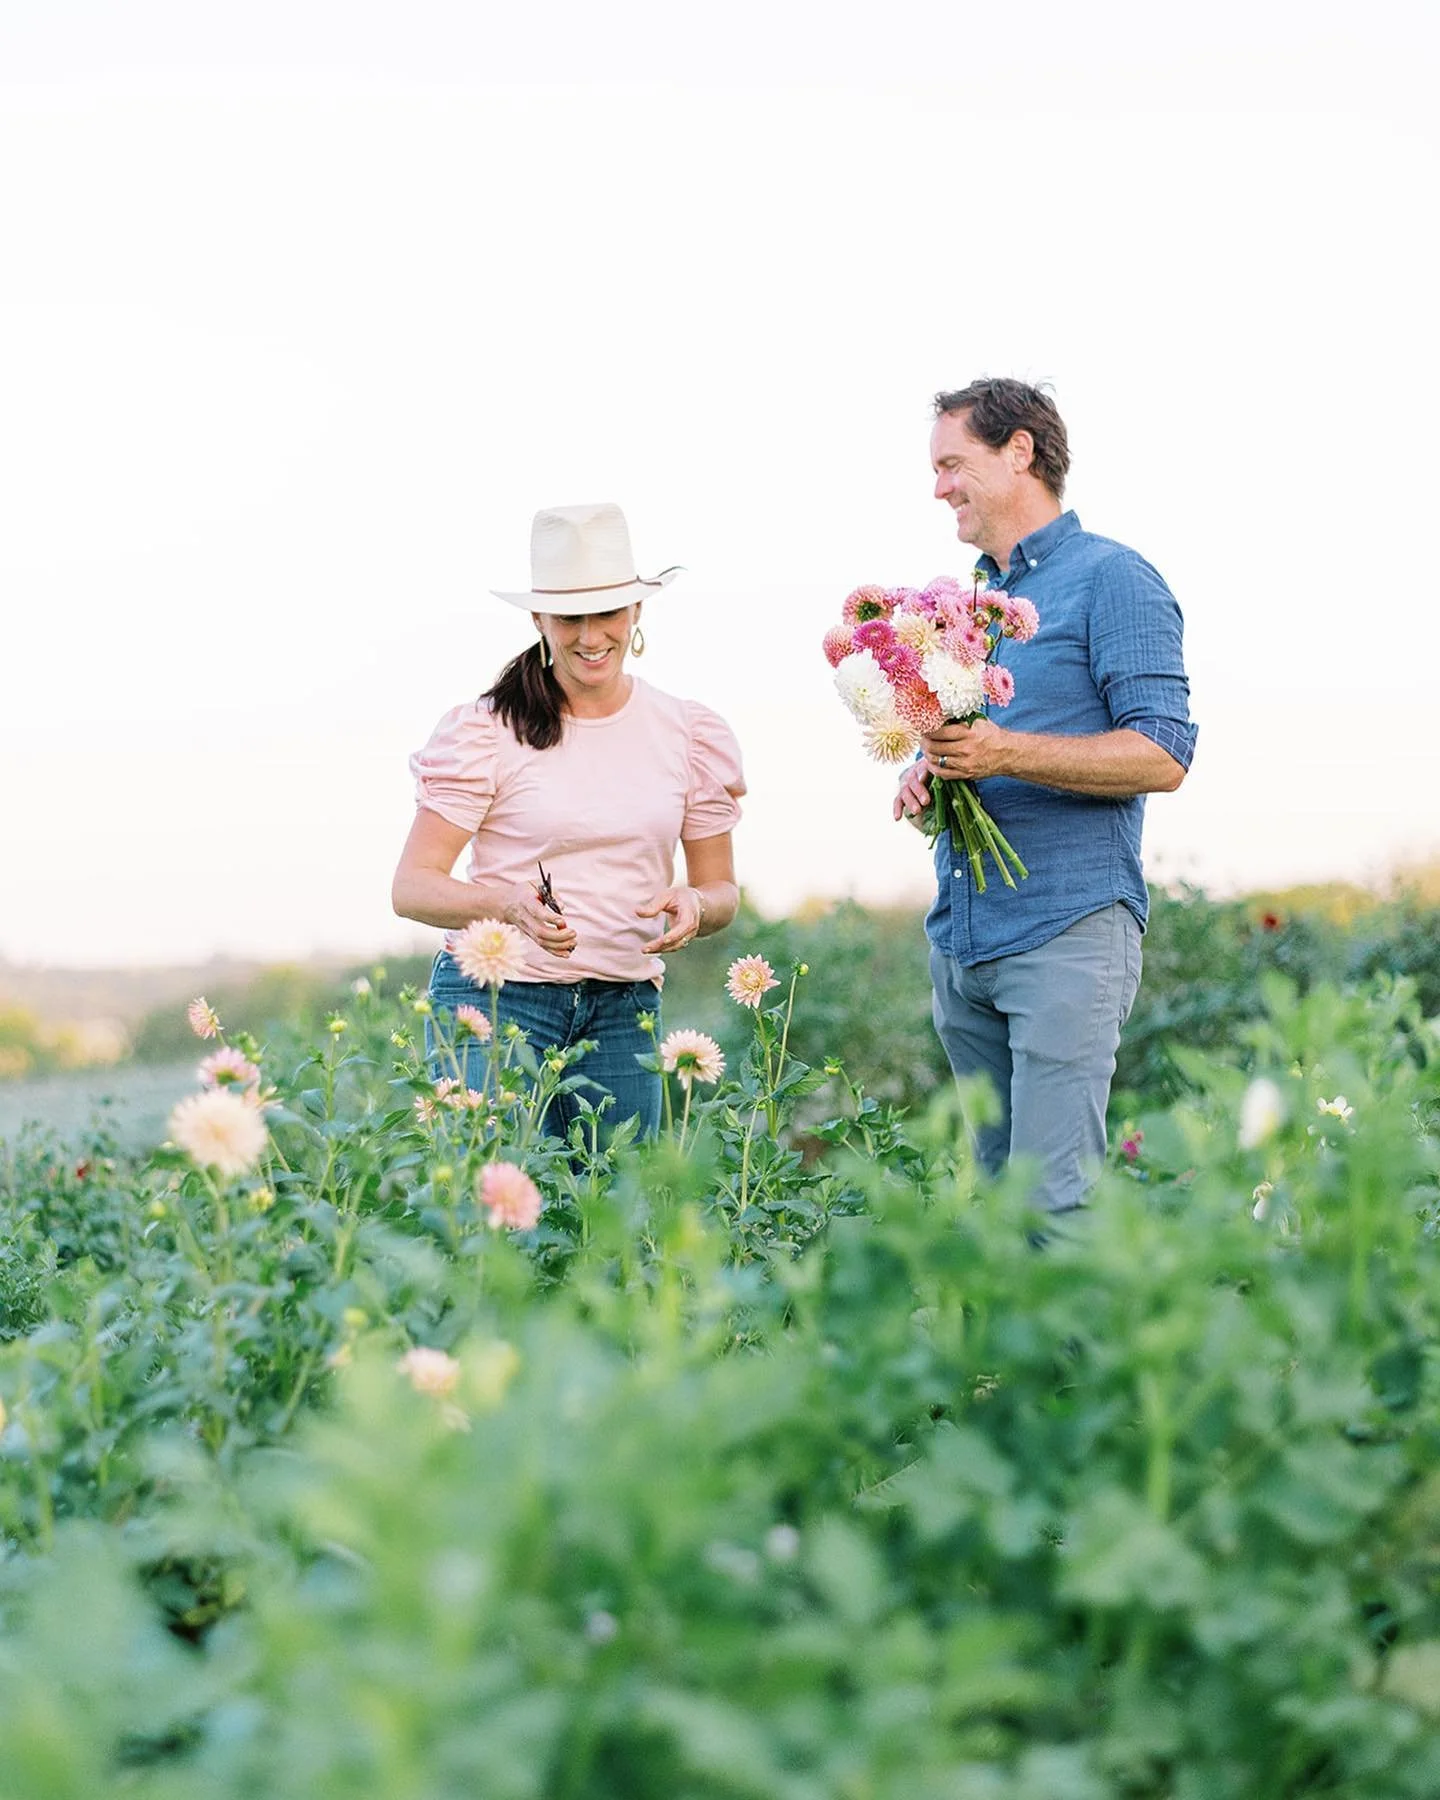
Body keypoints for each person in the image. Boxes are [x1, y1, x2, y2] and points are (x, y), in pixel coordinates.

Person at [894, 378, 1196, 1213]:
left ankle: (1093, 1350)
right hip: (964, 941)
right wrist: (935, 773)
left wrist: (1003, 750)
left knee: (1057, 1204)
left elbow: (1163, 753)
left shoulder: (1113, 579)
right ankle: (1007, 1353)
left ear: (1019, 451)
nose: (939, 486)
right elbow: (981, 750)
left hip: (1064, 930)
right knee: (999, 1206)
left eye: (953, 463)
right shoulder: (969, 605)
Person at [392, 501, 743, 1140]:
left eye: (606, 612)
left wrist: (696, 901)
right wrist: (507, 905)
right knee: (500, 1218)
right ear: (538, 619)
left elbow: (721, 891)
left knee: (617, 1220)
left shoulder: (687, 732)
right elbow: (412, 886)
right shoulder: (486, 731)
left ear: (636, 610)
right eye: (569, 617)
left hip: (625, 1005)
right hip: (499, 1002)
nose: (590, 636)